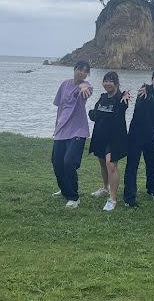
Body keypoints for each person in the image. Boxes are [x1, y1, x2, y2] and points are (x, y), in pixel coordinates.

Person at [51, 60, 93, 209]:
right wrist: (57, 125)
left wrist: (83, 86)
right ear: (74, 69)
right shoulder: (64, 85)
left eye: (85, 71)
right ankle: (64, 190)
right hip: (62, 129)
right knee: (56, 162)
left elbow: (85, 88)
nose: (82, 73)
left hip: (78, 130)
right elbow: (60, 106)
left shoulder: (87, 87)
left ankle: (74, 197)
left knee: (69, 162)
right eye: (80, 69)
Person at [123, 69, 154, 208]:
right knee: (132, 166)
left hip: (152, 136)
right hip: (137, 135)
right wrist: (145, 91)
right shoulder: (145, 91)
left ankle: (152, 189)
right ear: (152, 78)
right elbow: (140, 109)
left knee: (152, 163)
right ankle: (129, 197)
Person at [88, 71, 131, 212]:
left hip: (115, 138)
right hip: (100, 136)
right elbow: (95, 115)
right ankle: (105, 188)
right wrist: (91, 113)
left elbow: (123, 107)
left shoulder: (121, 97)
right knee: (103, 164)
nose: (108, 83)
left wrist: (124, 97)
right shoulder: (102, 98)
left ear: (116, 83)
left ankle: (112, 198)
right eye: (105, 81)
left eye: (111, 81)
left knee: (110, 164)